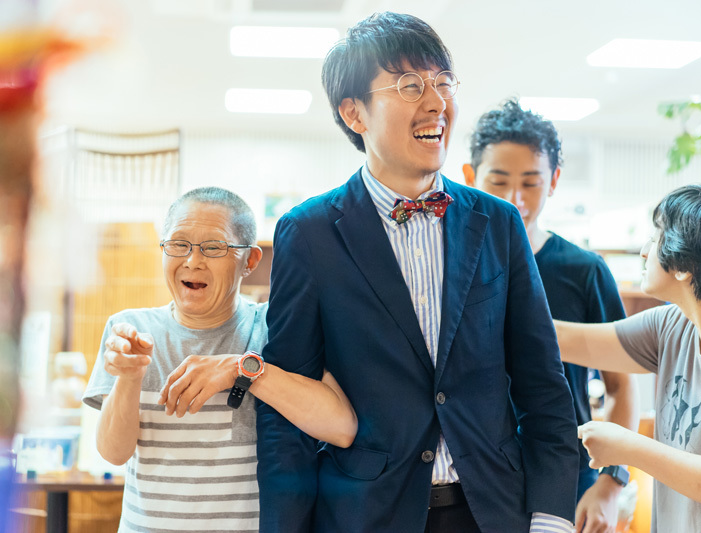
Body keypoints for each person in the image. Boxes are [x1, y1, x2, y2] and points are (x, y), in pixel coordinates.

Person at [256, 12, 579, 533]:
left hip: (493, 511)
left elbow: (544, 384)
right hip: (365, 515)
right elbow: (287, 406)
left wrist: (551, 515)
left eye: (443, 82)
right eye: (409, 85)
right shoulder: (310, 232)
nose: (436, 101)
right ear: (354, 113)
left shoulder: (496, 222)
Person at [82, 187, 357, 533]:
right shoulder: (132, 330)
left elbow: (342, 428)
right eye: (178, 245)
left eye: (214, 248)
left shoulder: (277, 330)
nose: (192, 261)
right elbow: (113, 452)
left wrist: (240, 370)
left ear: (250, 261)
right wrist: (130, 377)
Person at [462, 99, 640, 532]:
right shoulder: (452, 267)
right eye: (498, 182)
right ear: (470, 177)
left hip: (567, 474)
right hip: (473, 476)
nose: (514, 200)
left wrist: (610, 483)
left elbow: (620, 387)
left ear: (555, 180)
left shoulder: (584, 271)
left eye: (531, 183)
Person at [555, 184, 701, 533]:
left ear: (683, 266)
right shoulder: (672, 326)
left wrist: (630, 449)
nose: (643, 252)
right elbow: (565, 340)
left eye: (655, 239)